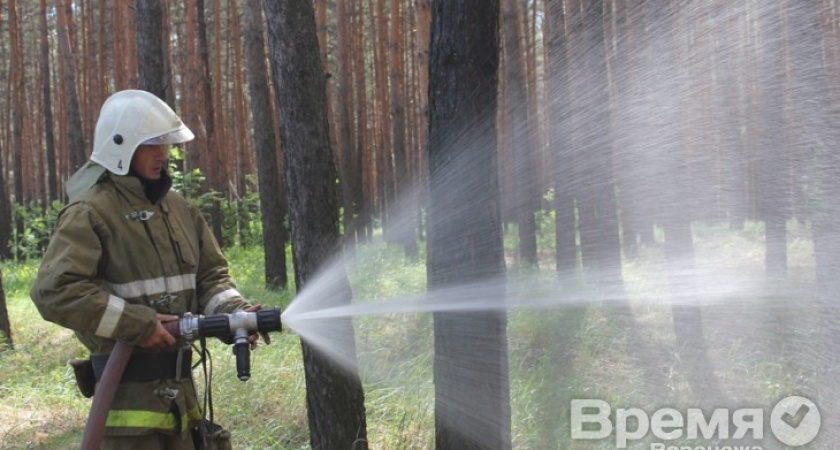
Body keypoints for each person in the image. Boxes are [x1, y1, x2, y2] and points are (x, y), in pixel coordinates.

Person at [30, 89, 268, 449]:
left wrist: (234, 314)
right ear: (120, 148)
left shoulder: (181, 210)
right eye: (151, 144)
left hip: (182, 400)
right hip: (125, 406)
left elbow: (211, 278)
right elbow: (54, 291)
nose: (163, 153)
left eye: (165, 143)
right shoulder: (90, 213)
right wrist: (136, 324)